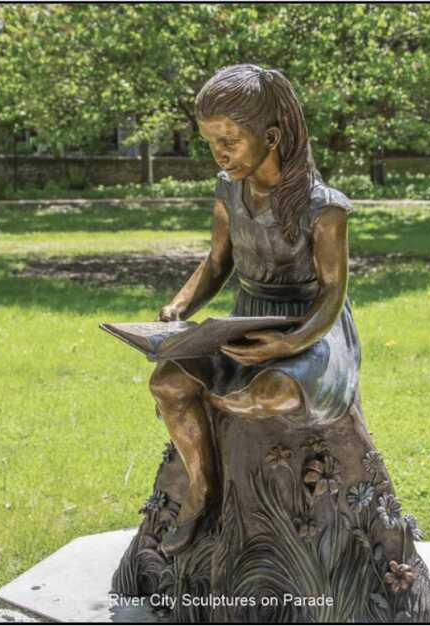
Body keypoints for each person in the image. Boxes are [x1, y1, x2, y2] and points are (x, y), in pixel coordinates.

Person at [148, 64, 360, 554]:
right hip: (244, 322)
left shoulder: (324, 207)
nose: (219, 154)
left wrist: (290, 342)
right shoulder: (229, 190)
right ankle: (202, 488)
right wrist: (179, 305)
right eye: (211, 142)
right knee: (168, 383)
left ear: (271, 136)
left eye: (229, 140)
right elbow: (216, 262)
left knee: (271, 393)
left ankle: (225, 414)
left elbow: (333, 293)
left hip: (310, 328)